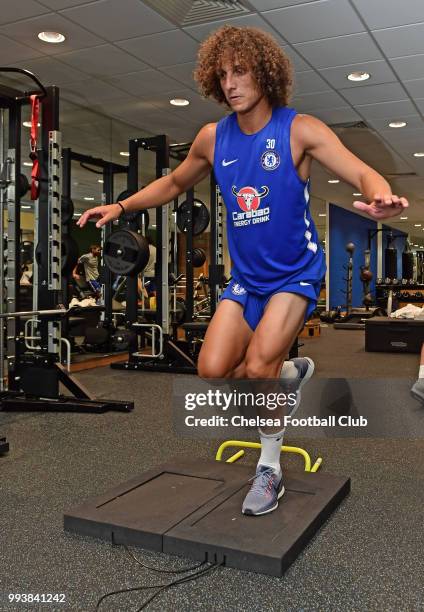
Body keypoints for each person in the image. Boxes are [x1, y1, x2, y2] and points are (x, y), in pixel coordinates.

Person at [77, 26, 409, 516]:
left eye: (241, 71)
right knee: (211, 370)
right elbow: (172, 183)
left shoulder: (299, 129)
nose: (231, 83)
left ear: (265, 74)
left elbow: (360, 170)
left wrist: (379, 195)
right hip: (246, 280)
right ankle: (292, 374)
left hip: (295, 275)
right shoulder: (214, 138)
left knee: (257, 369)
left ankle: (270, 469)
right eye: (223, 74)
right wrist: (122, 207)